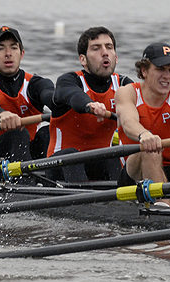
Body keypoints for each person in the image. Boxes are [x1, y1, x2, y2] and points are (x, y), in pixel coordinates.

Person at [115, 42, 170, 205]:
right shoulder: (128, 93)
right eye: (161, 69)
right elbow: (128, 122)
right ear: (144, 70)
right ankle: (164, 208)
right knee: (151, 149)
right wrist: (144, 134)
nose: (167, 76)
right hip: (134, 172)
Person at [47, 26, 133, 182]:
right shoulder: (68, 81)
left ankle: (121, 200)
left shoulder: (124, 85)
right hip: (59, 164)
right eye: (96, 48)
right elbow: (74, 96)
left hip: (99, 162)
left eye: (109, 47)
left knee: (113, 155)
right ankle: (84, 202)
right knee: (72, 155)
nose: (105, 52)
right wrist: (90, 105)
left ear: (116, 57)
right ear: (83, 59)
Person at [0, 26, 56, 163]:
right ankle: (25, 182)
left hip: (30, 155)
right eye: (1, 48)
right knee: (18, 133)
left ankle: (54, 178)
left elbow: (52, 97)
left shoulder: (36, 83)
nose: (8, 53)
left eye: (13, 47)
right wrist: (2, 114)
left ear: (21, 53)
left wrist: (68, 107)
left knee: (48, 132)